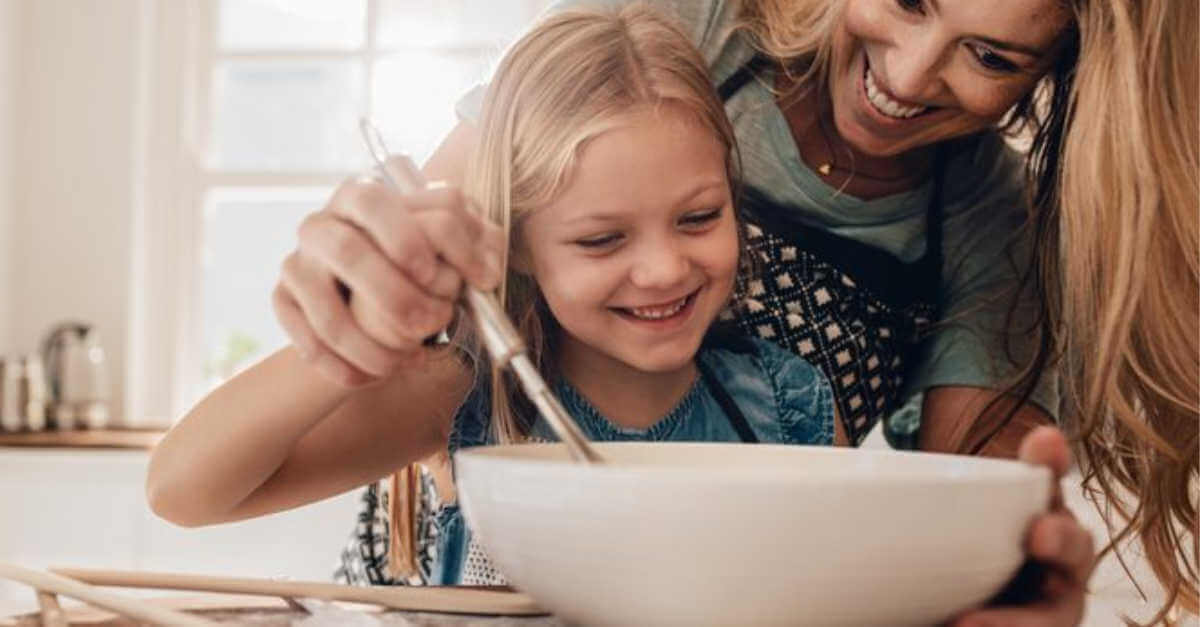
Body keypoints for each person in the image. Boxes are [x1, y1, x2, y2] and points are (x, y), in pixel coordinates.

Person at [151, 3, 844, 589]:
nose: (663, 268)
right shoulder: (468, 398)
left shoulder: (791, 406)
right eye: (603, 240)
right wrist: (357, 339)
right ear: (517, 244)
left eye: (698, 218)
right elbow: (183, 490)